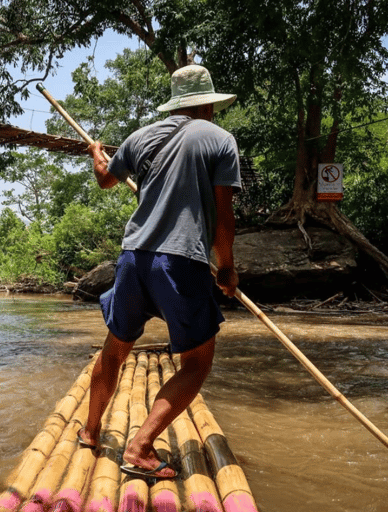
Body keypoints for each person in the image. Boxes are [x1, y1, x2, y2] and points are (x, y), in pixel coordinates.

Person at [77, 64, 241, 480]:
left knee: (115, 350)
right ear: (206, 102)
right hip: (182, 260)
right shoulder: (220, 141)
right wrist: (227, 270)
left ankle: (91, 432)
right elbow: (224, 219)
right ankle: (141, 447)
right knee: (197, 363)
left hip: (134, 256)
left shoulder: (140, 137)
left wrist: (98, 156)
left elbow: (105, 181)